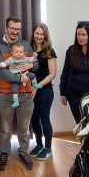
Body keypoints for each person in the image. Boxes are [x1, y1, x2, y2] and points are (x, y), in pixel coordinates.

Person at [0, 16, 38, 171]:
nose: (15, 31)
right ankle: (4, 152)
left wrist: (31, 65)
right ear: (6, 28)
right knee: (5, 128)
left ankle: (24, 152)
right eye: (12, 28)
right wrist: (19, 78)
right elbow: (0, 71)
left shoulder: (26, 45)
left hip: (25, 94)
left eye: (18, 29)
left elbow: (36, 65)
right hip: (5, 94)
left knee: (24, 128)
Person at [28, 23, 57, 161]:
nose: (39, 36)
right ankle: (39, 145)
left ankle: (48, 148)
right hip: (31, 91)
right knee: (34, 119)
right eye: (37, 33)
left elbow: (52, 74)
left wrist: (37, 86)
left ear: (45, 35)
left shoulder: (49, 51)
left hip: (45, 91)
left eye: (42, 34)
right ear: (33, 33)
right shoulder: (29, 49)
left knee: (44, 118)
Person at [0, 42, 41, 108]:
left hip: (24, 73)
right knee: (15, 89)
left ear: (23, 53)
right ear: (12, 53)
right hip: (15, 76)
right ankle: (16, 101)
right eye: (17, 52)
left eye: (21, 52)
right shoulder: (11, 59)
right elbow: (5, 64)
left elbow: (31, 60)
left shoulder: (24, 58)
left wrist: (34, 56)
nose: (19, 53)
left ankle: (35, 84)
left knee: (32, 75)